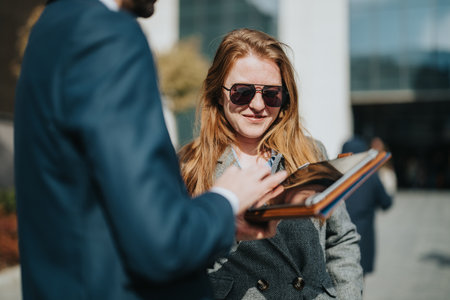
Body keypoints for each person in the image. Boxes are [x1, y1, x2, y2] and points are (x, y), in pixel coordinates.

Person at [14, 1, 287, 299]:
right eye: (243, 92)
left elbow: (98, 210)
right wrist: (226, 200)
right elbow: (161, 244)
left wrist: (222, 220)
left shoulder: (51, 26)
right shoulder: (107, 36)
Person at [179, 28, 364, 299]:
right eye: (242, 92)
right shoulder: (189, 166)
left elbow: (341, 240)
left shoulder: (311, 152)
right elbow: (179, 261)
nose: (258, 105)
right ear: (219, 93)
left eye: (271, 94)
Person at [342, 136, 393, 276]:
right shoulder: (370, 176)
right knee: (358, 281)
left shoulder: (334, 176)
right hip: (362, 238)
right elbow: (386, 203)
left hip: (336, 238)